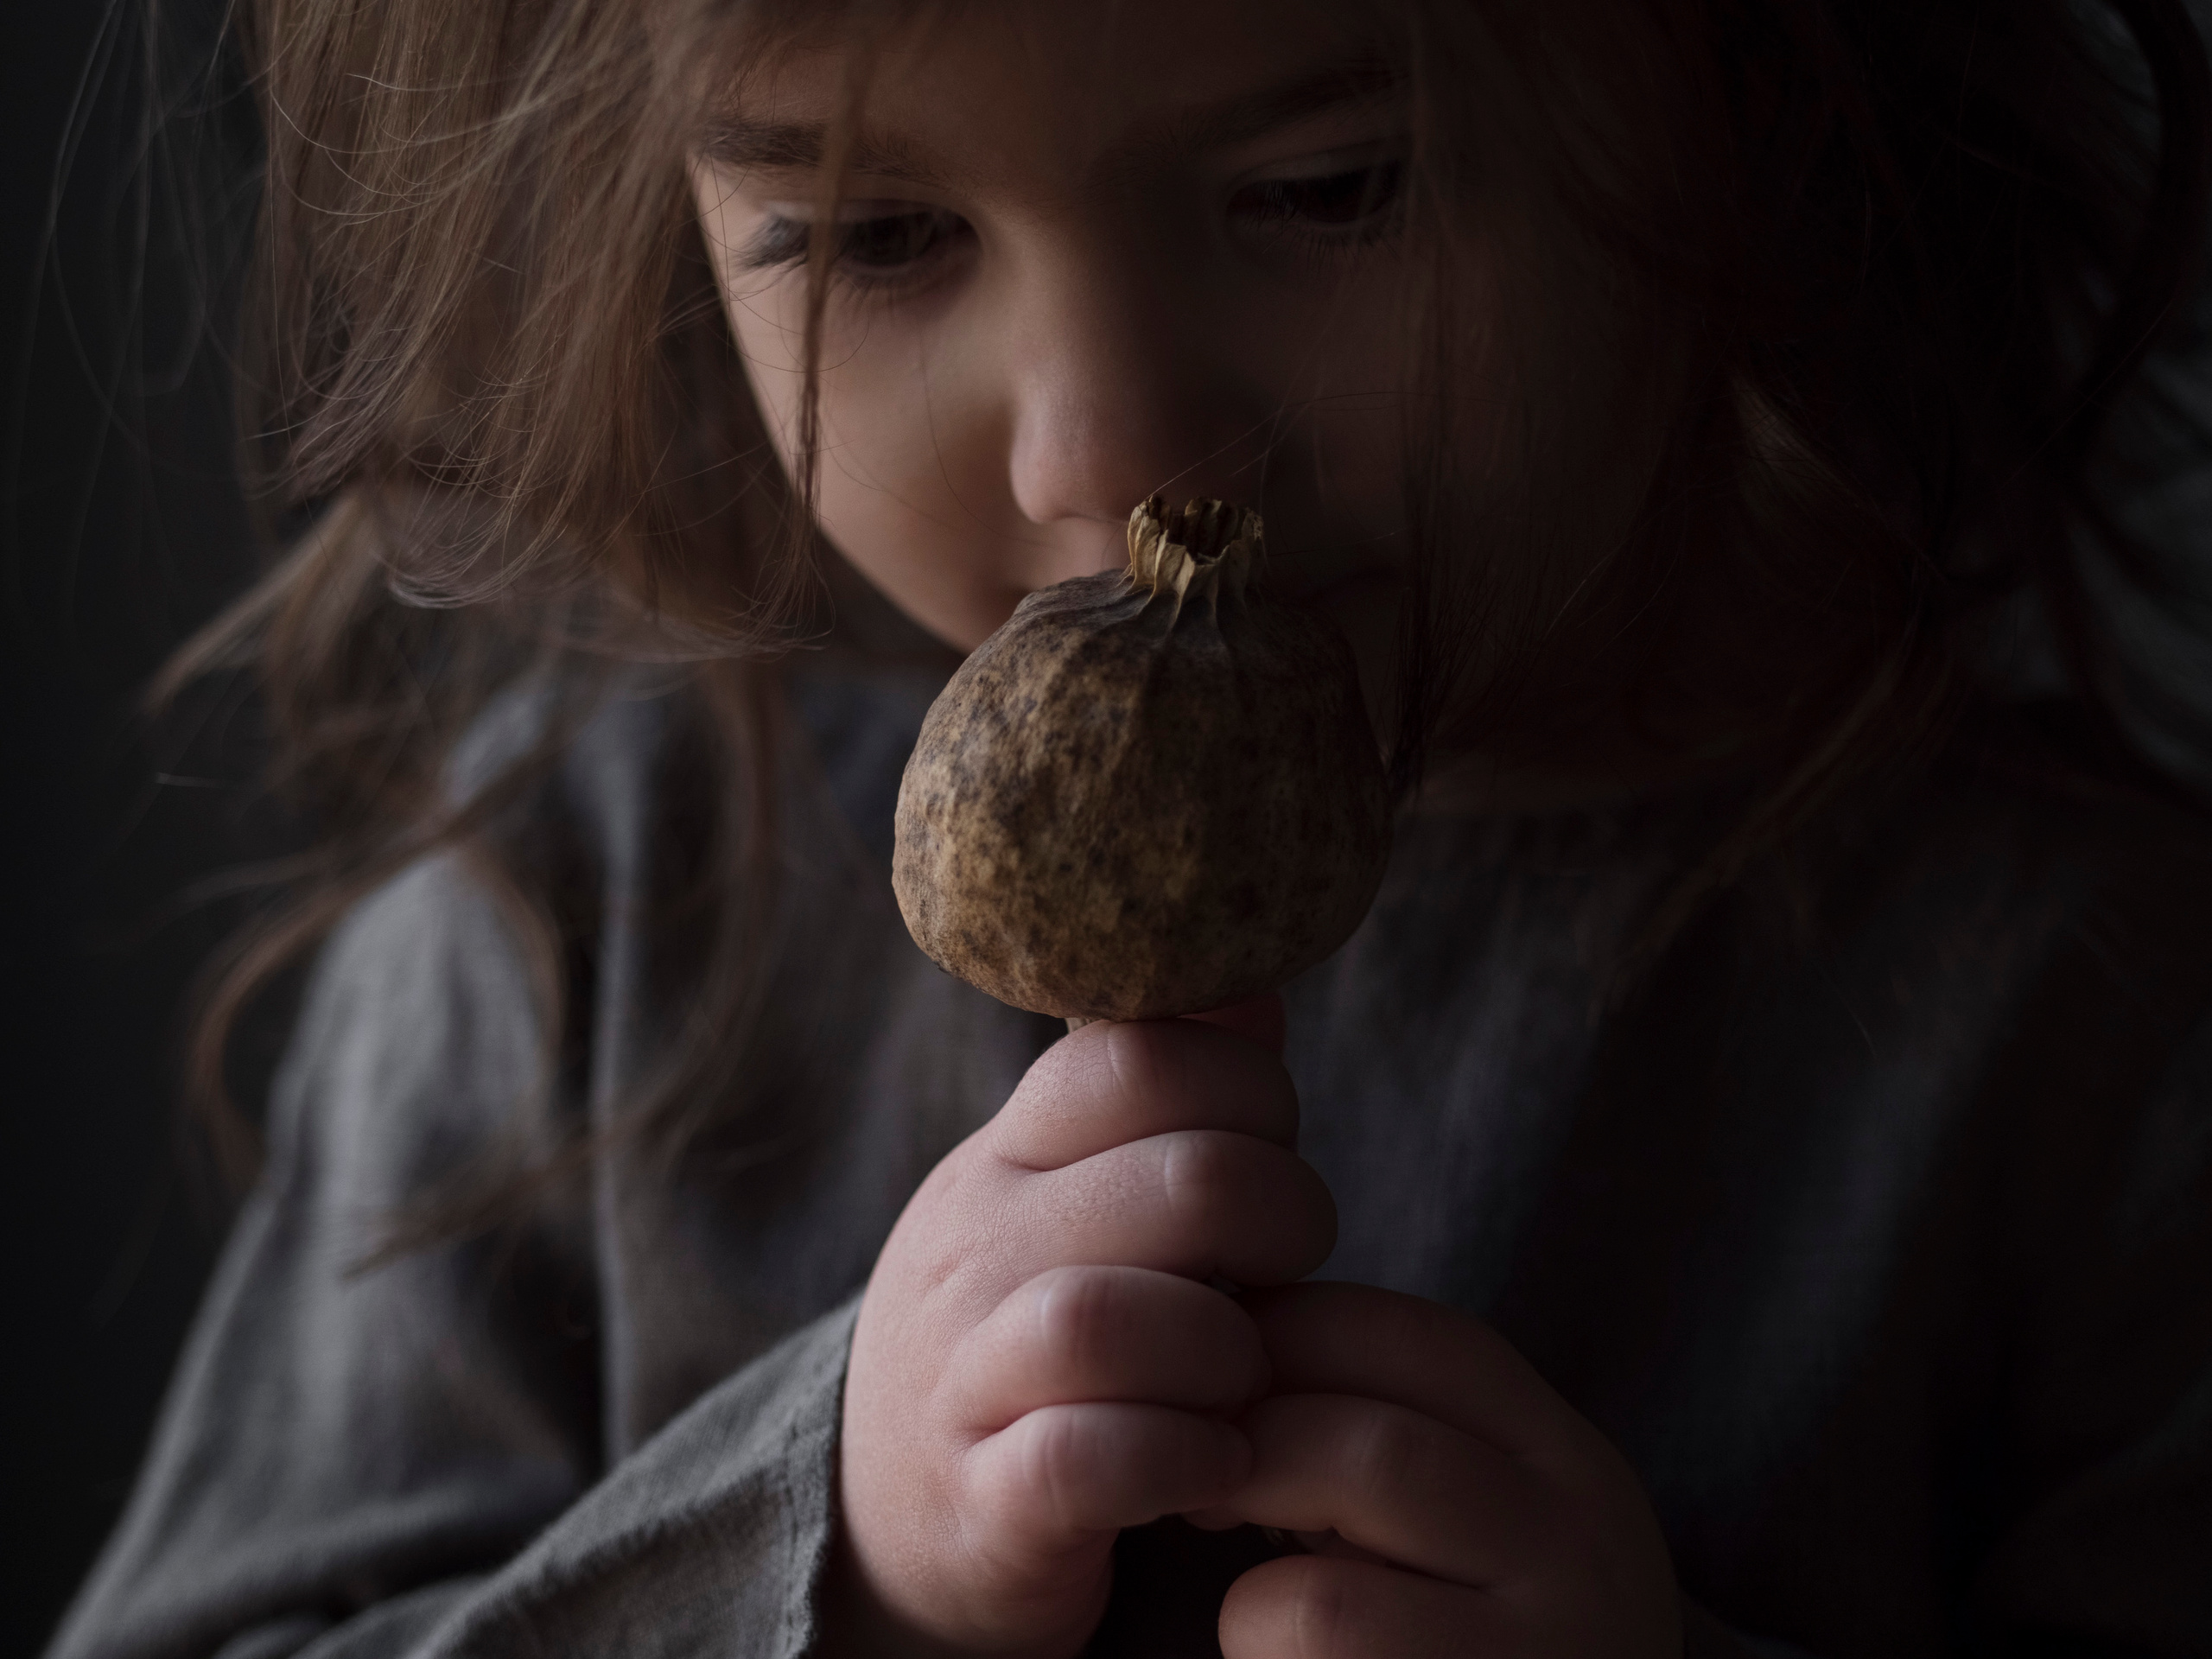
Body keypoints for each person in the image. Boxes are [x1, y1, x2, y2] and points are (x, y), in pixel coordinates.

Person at [43, 1, 2212, 1655]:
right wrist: (831, 1561)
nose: (1105, 439)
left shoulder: (2091, 1018)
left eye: (1328, 186)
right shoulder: (566, 921)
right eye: (879, 233)